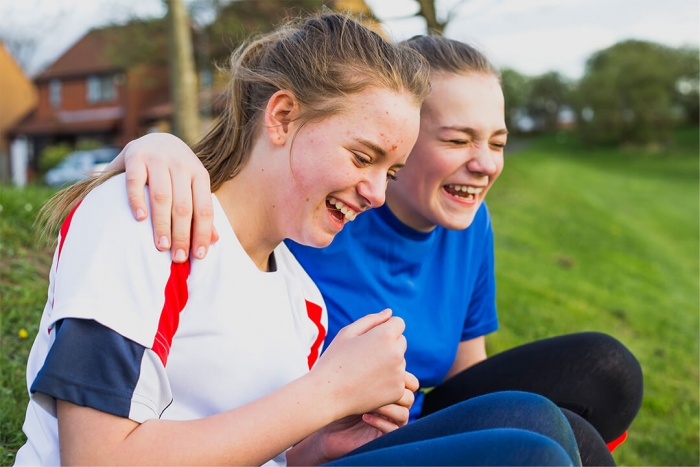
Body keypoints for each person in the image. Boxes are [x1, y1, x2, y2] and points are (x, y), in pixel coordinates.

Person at [16, 14, 582, 467]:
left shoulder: (300, 299)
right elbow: (94, 458)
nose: (377, 194)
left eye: (389, 171)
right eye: (363, 157)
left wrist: (320, 443)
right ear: (282, 116)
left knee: (536, 420)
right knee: (528, 454)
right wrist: (328, 393)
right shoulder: (145, 215)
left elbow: (265, 449)